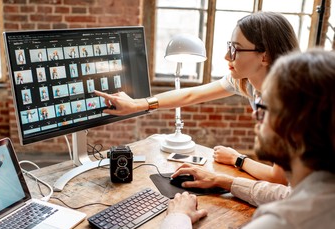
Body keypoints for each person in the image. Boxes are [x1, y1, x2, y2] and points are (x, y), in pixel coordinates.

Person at [148, 49, 335, 229]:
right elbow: (285, 194)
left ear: (295, 127)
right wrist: (224, 181)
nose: (256, 115)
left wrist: (177, 218)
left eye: (265, 107)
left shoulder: (290, 227)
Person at [96, 11, 299, 185]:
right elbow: (192, 94)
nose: (227, 57)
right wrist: (137, 104)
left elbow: (279, 178)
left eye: (235, 49)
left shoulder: (287, 100)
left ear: (264, 56)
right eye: (230, 47)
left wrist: (238, 159)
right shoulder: (246, 82)